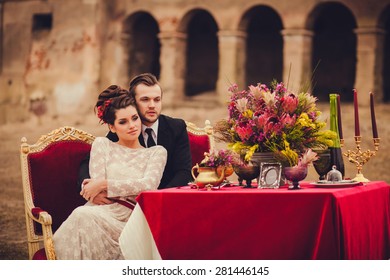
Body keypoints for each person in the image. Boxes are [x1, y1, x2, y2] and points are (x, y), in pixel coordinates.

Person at [53, 86, 167, 259]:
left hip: (134, 220)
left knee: (82, 215)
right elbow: (97, 189)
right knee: (82, 215)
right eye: (123, 122)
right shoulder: (102, 145)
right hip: (101, 212)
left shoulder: (156, 152)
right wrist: (101, 186)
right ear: (112, 127)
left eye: (135, 118)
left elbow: (148, 185)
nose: (132, 126)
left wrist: (105, 184)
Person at [78, 73, 192, 205]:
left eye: (157, 99)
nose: (152, 105)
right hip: (124, 205)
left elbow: (183, 172)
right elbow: (87, 163)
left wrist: (157, 200)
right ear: (133, 102)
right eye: (145, 99)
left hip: (165, 200)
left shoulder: (176, 127)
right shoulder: (123, 129)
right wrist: (91, 191)